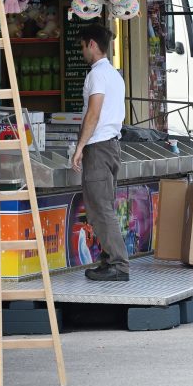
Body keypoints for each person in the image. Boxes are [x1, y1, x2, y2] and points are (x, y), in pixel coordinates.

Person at [72, 24, 128, 282]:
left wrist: (80, 147)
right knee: (101, 207)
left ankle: (118, 264)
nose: (82, 51)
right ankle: (108, 261)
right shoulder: (115, 75)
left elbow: (93, 113)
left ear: (92, 44)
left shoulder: (96, 75)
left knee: (100, 209)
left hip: (99, 146)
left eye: (83, 46)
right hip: (112, 146)